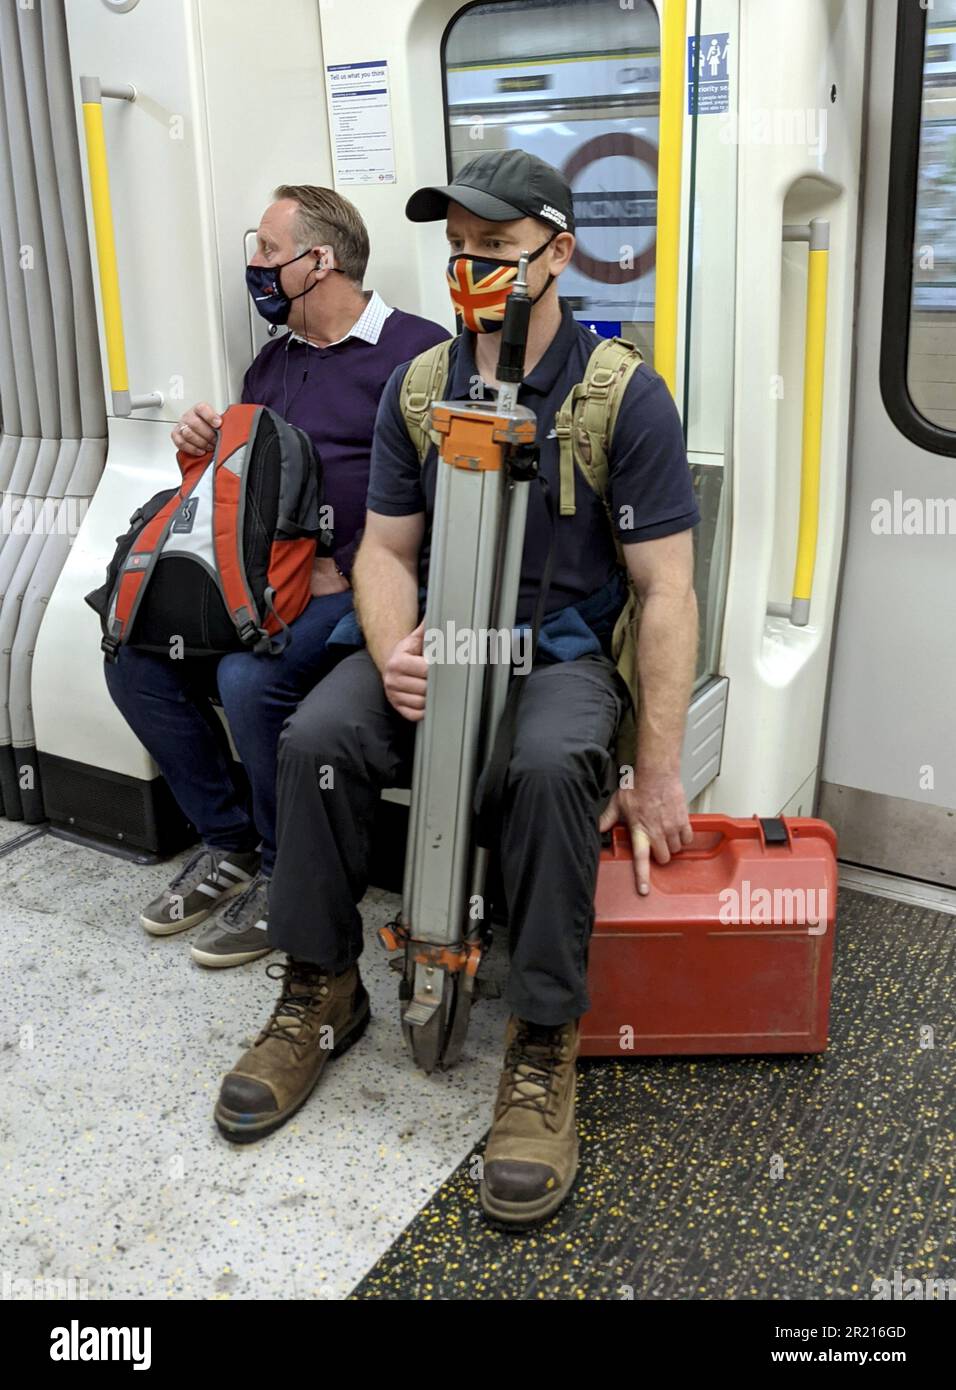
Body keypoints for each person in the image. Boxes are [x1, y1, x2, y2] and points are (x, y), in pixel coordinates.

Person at [216, 151, 700, 1228]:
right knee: (315, 738)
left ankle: (538, 1044)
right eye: (457, 251)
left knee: (546, 764)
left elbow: (664, 587)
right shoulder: (420, 387)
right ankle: (318, 988)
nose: (471, 270)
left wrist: (656, 765)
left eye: (495, 248)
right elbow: (387, 552)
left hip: (557, 655)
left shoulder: (623, 397)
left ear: (557, 252)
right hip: (444, 639)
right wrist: (392, 648)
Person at [104, 185, 448, 968]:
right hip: (273, 582)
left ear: (318, 261)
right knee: (131, 658)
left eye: (266, 249)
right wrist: (205, 446)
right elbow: (251, 485)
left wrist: (352, 567)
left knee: (250, 680)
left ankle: (283, 866)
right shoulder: (274, 362)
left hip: (375, 584)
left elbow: (446, 501)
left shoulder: (420, 356)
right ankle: (227, 842)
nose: (254, 266)